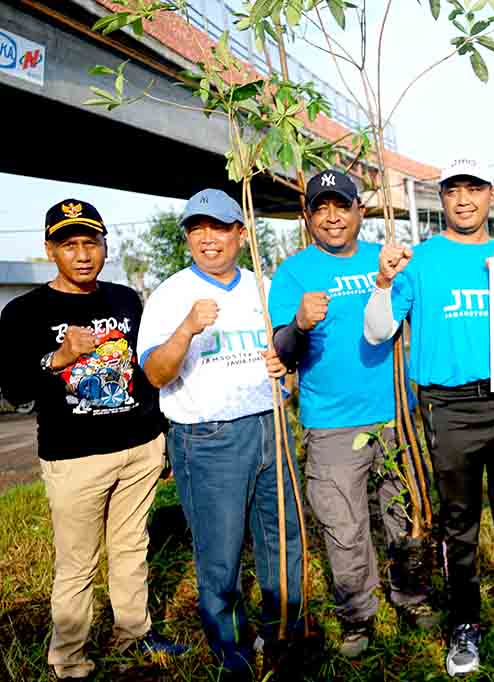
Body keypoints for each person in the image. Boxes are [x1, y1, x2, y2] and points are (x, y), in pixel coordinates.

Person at [364, 158, 494, 677]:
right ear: (442, 199)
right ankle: (465, 624)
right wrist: (384, 281)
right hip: (450, 408)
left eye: (474, 189)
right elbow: (379, 331)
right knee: (460, 521)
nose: (465, 199)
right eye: (454, 191)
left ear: (491, 196)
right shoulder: (421, 262)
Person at [0, 199, 187, 680]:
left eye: (91, 242)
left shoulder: (125, 299)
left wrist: (160, 435)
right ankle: (70, 659)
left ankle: (134, 632)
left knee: (131, 548)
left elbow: (144, 373)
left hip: (140, 448)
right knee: (77, 563)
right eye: (69, 244)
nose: (82, 254)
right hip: (75, 457)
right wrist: (58, 357)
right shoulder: (24, 312)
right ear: (50, 250)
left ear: (104, 245)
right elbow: (16, 389)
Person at [268, 169, 438, 658]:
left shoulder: (388, 260)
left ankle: (412, 597)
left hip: (394, 417)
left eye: (341, 205)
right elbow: (283, 349)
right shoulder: (294, 273)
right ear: (307, 218)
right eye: (320, 208)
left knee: (402, 517)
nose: (332, 216)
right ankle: (357, 618)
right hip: (330, 425)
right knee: (343, 529)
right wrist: (298, 322)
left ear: (359, 211)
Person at [137, 189, 303, 679]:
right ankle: (230, 649)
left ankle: (282, 634)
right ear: (187, 235)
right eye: (197, 228)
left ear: (240, 233)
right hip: (207, 439)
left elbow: (288, 362)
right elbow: (156, 375)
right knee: (219, 551)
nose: (208, 238)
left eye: (220, 227)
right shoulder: (170, 295)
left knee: (281, 541)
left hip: (269, 427)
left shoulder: (265, 287)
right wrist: (186, 330)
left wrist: (284, 369)